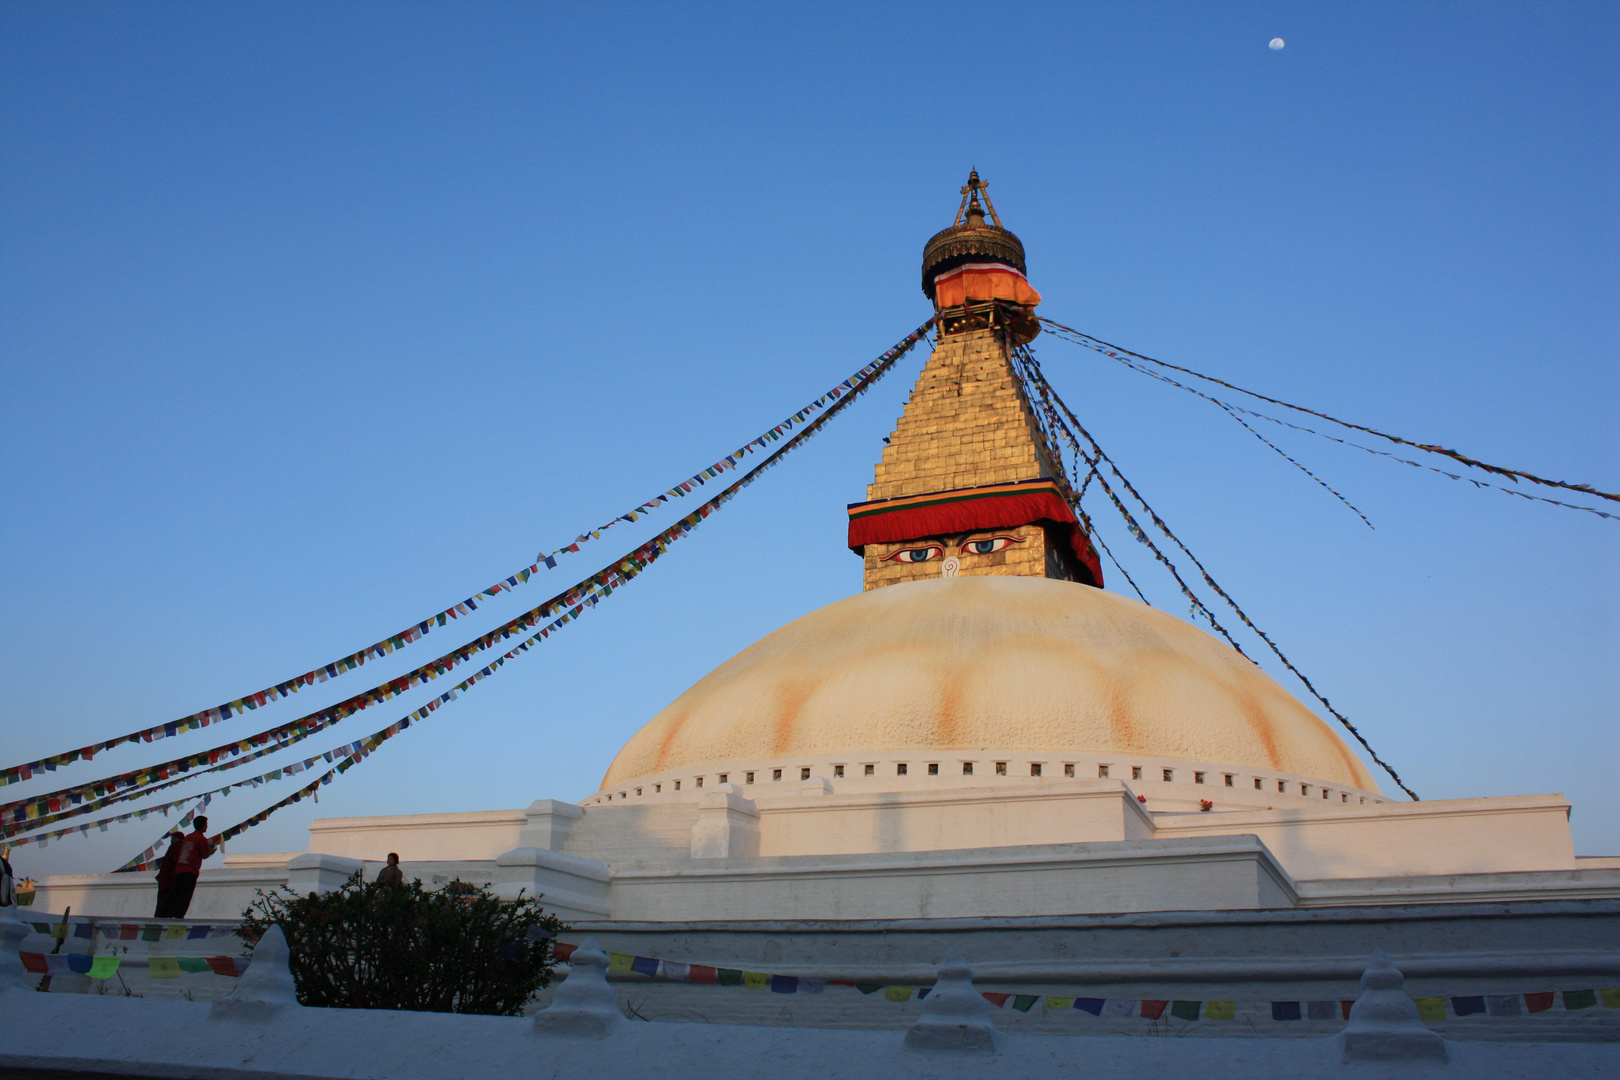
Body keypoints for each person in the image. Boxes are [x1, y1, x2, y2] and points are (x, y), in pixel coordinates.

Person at [159, 817, 215, 918]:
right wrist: (211, 851)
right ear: (202, 826)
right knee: (185, 895)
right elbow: (204, 855)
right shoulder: (202, 839)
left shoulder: (188, 837)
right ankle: (179, 915)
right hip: (191, 870)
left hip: (180, 869)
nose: (207, 826)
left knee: (173, 893)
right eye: (206, 824)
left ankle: (162, 913)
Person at [153, 831, 184, 917]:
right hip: (170, 877)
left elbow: (175, 860)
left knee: (165, 899)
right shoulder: (180, 847)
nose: (172, 840)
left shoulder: (176, 846)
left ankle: (162, 915)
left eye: (173, 838)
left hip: (169, 877)